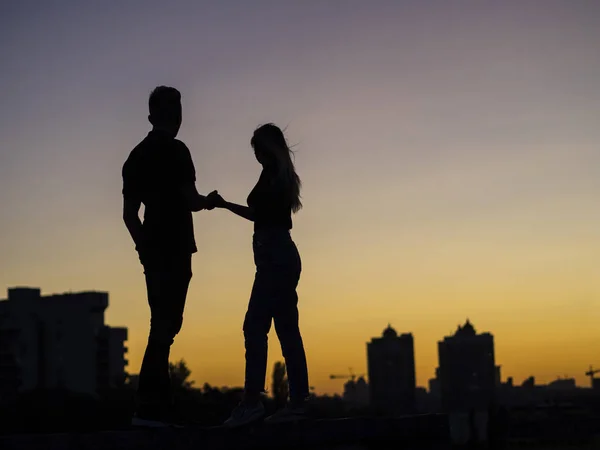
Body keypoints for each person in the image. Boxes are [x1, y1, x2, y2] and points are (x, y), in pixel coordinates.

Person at [122, 86, 216, 427]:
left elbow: (129, 216)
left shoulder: (135, 156)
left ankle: (156, 406)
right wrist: (210, 200)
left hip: (153, 250)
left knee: (161, 324)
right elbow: (191, 199)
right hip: (176, 247)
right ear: (176, 116)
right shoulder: (178, 152)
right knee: (166, 326)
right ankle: (148, 407)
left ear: (150, 117)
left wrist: (143, 249)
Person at [209, 123, 310, 427]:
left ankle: (253, 402)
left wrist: (224, 205)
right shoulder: (277, 174)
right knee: (285, 330)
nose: (255, 155)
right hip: (277, 257)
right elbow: (261, 215)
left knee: (255, 326)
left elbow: (261, 216)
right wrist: (225, 205)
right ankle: (297, 403)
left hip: (274, 258)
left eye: (257, 148)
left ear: (267, 148)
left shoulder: (274, 175)